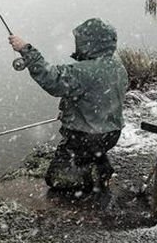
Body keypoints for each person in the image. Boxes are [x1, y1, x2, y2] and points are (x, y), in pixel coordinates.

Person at [8, 18, 128, 196]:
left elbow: (53, 80)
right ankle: (100, 166)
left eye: (80, 41)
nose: (77, 45)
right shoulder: (118, 67)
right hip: (111, 135)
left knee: (56, 178)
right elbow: (97, 97)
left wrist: (26, 50)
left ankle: (92, 178)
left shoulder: (83, 70)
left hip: (85, 137)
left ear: (90, 43)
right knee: (92, 151)